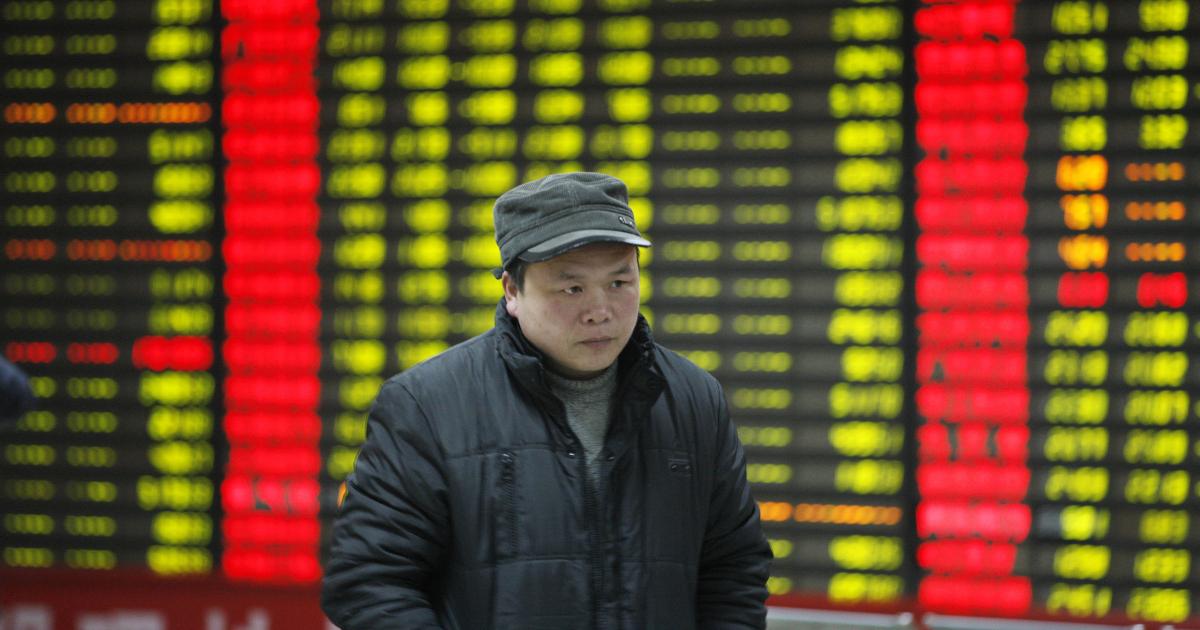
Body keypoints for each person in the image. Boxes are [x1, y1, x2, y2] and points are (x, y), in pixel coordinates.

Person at [322, 172, 772, 629]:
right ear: (512, 291)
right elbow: (369, 582)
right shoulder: (427, 406)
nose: (600, 309)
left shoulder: (694, 399)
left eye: (619, 282)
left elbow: (733, 571)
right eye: (571, 288)